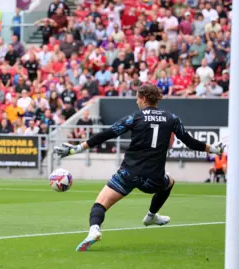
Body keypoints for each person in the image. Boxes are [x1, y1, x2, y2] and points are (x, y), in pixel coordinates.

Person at [53, 84, 225, 252]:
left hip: (128, 173)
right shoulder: (171, 118)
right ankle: (150, 216)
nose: (136, 102)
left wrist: (77, 148)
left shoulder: (135, 118)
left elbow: (108, 133)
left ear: (143, 98)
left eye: (137, 98)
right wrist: (214, 149)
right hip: (154, 178)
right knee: (169, 183)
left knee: (100, 204)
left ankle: (94, 230)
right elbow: (190, 142)